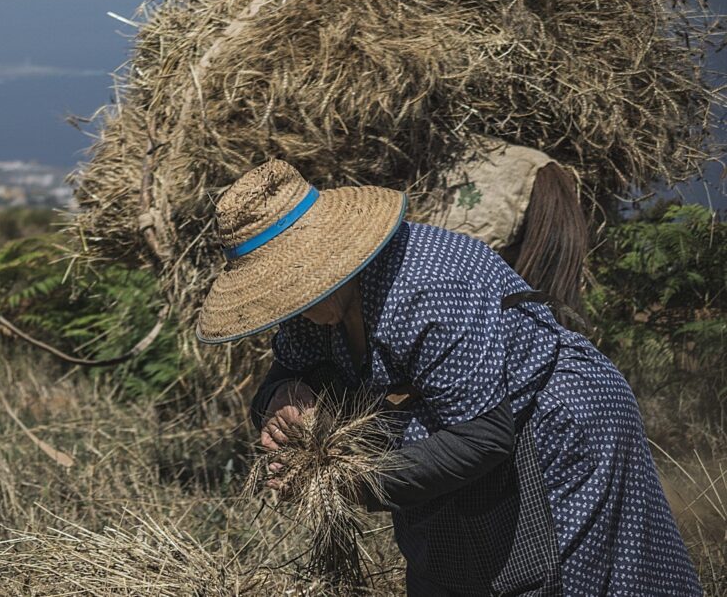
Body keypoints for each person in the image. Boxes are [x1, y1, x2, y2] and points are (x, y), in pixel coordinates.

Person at [196, 160, 699, 595]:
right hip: (450, 439)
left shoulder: (428, 288)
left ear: (331, 263)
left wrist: (348, 482)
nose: (293, 311)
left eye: (294, 294)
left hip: (552, 429)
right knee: (444, 573)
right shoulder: (311, 306)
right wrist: (280, 397)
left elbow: (482, 437)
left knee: (559, 578)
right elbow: (287, 370)